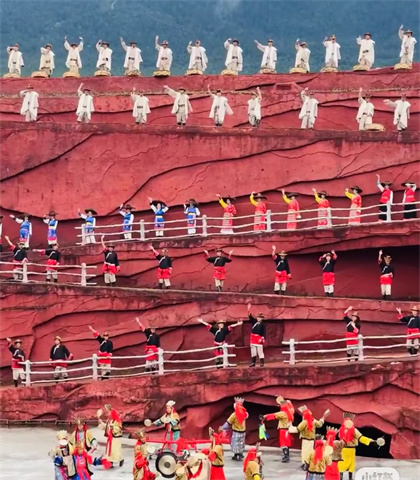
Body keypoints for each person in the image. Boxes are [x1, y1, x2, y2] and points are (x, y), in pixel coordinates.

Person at [338, 413, 385, 479]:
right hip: (344, 450)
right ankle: (341, 477)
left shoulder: (352, 430)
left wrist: (370, 441)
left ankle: (349, 478)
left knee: (350, 464)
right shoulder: (342, 430)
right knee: (342, 463)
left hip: (350, 450)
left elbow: (361, 438)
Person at [262, 396, 295, 462]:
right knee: (287, 444)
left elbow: (274, 415)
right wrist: (289, 403)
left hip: (283, 430)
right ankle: (287, 456)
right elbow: (292, 409)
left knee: (284, 444)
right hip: (288, 430)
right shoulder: (290, 412)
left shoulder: (283, 413)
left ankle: (286, 457)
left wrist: (265, 416)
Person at [247, 303, 266, 367]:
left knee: (260, 351)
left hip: (258, 338)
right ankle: (253, 362)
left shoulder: (263, 325)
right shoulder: (254, 322)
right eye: (258, 317)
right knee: (253, 351)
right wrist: (248, 309)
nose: (259, 318)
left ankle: (261, 362)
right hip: (253, 338)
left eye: (260, 317)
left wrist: (262, 338)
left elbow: (263, 332)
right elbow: (250, 317)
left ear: (262, 318)